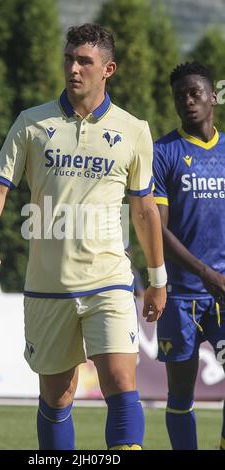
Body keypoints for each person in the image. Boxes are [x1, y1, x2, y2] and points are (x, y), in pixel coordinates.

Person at [0, 23, 166, 450]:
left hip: (110, 280)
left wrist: (157, 279)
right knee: (57, 395)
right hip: (48, 285)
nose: (74, 68)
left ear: (108, 69)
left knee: (121, 382)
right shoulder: (30, 123)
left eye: (85, 61)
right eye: (69, 59)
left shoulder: (134, 130)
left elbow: (144, 209)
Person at [153, 61, 225, 450]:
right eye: (180, 95)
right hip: (180, 296)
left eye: (195, 92)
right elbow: (157, 231)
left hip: (224, 294)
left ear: (214, 96)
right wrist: (204, 272)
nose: (188, 100)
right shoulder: (164, 152)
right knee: (181, 393)